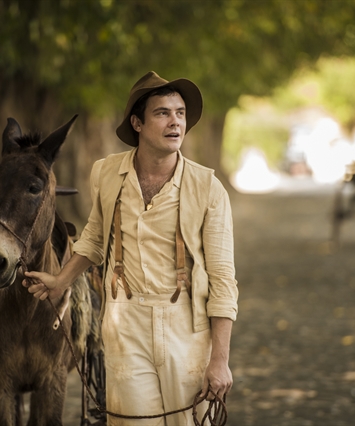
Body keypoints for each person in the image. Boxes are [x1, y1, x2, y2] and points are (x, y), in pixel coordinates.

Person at [23, 71, 238, 425]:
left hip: (187, 325)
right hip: (125, 322)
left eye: (180, 113)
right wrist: (61, 281)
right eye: (162, 113)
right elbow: (94, 237)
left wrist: (219, 359)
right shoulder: (105, 174)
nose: (175, 122)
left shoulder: (208, 187)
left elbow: (223, 279)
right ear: (137, 123)